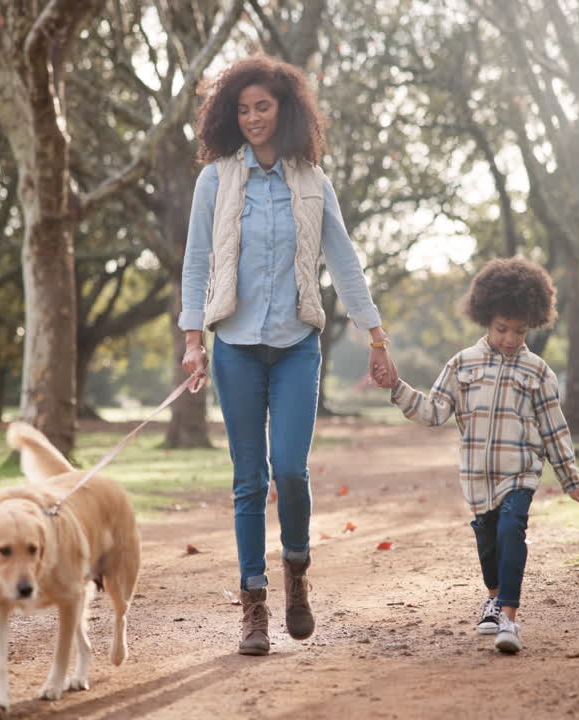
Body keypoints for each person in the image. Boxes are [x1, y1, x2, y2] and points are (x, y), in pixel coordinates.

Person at [179, 54, 395, 656]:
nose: (252, 118)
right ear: (231, 114)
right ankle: (254, 603)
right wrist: (193, 340)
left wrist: (376, 337)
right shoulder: (216, 180)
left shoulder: (312, 181)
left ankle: (296, 568)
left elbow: (345, 263)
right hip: (236, 349)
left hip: (298, 345)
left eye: (263, 107)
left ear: (286, 109)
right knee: (248, 482)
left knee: (291, 470)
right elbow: (197, 263)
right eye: (243, 109)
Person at [377, 256, 579, 653]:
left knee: (511, 529)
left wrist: (572, 481)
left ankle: (510, 620)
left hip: (520, 473)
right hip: (477, 478)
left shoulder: (538, 372)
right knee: (488, 541)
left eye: (519, 330)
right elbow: (434, 412)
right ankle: (495, 597)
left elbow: (554, 428)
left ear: (531, 324)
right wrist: (397, 386)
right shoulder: (462, 364)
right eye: (502, 329)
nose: (510, 339)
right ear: (486, 319)